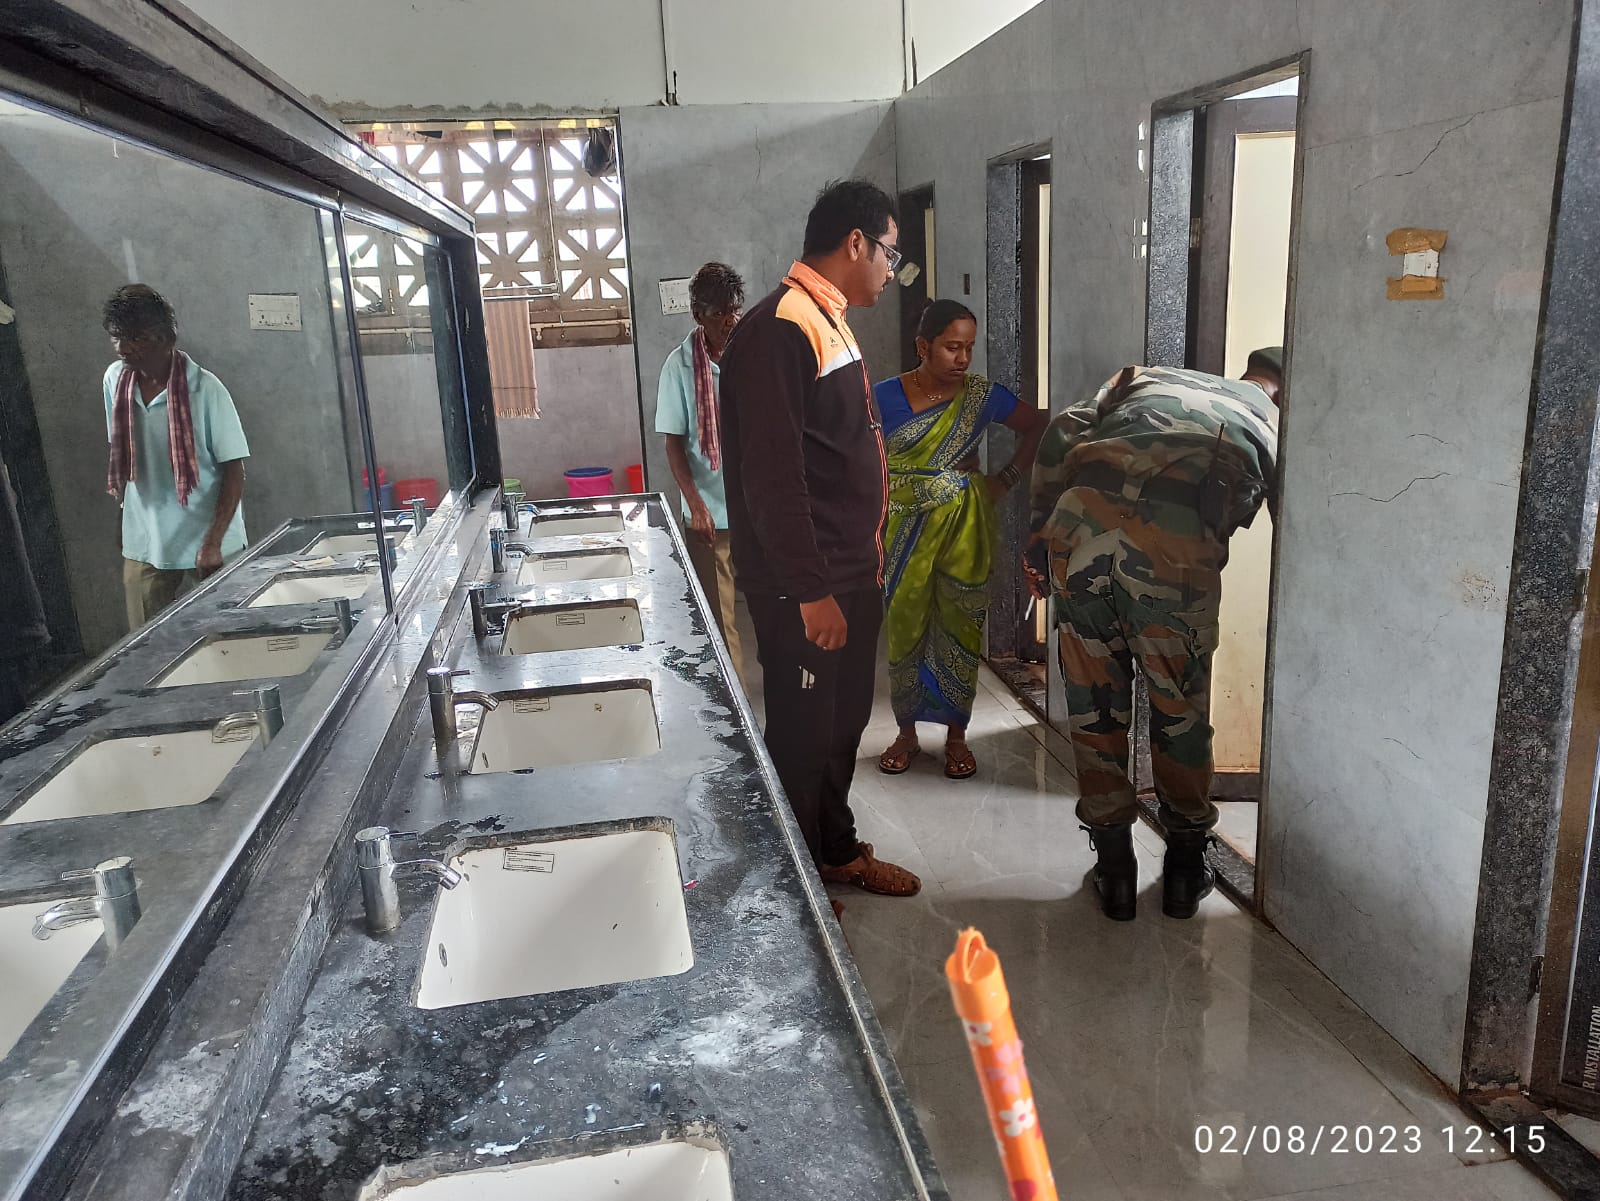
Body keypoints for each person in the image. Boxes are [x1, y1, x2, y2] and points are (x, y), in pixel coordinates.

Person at [1027, 349, 1283, 922]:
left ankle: (1115, 867)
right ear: (1283, 392)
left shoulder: (1147, 376)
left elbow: (1066, 426)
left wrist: (1040, 525)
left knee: (1094, 703)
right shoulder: (1272, 421)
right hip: (1174, 558)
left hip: (1080, 531)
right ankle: (1186, 870)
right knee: (1179, 709)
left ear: (1248, 374)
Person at [719, 179, 921, 899]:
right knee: (803, 739)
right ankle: (793, 894)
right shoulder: (781, 326)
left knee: (840, 728)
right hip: (808, 586)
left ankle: (834, 852)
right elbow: (771, 477)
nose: (891, 268)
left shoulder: (826, 317)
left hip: (848, 573)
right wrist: (810, 592)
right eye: (890, 251)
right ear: (856, 243)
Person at [875, 300, 1046, 780]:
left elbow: (1037, 424)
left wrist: (1004, 480)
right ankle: (906, 734)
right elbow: (859, 455)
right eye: (952, 347)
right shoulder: (882, 395)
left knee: (961, 626)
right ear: (923, 346)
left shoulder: (980, 396)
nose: (963, 358)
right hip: (902, 531)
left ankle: (956, 737)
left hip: (965, 529)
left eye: (969, 348)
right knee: (905, 626)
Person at [103, 284, 249, 630]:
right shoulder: (115, 381)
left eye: (135, 338)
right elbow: (126, 458)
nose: (123, 348)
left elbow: (234, 470)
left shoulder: (206, 390)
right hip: (147, 540)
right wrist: (124, 518)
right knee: (147, 643)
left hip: (209, 539)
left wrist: (213, 542)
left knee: (227, 635)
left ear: (165, 338)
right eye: (117, 338)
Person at [655, 262, 747, 685]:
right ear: (698, 315)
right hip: (711, 512)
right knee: (720, 620)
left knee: (775, 609)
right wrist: (696, 506)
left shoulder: (753, 355)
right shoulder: (678, 367)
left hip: (755, 506)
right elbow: (674, 443)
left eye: (735, 310)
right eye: (719, 314)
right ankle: (736, 707)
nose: (730, 321)